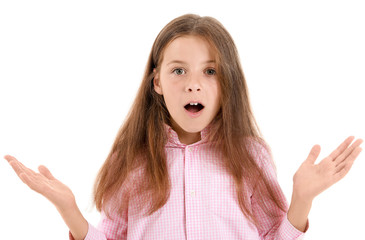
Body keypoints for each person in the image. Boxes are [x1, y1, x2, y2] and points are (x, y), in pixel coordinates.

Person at [4, 14, 363, 240]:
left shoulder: (250, 155)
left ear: (228, 84)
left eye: (210, 71)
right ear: (157, 81)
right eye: (179, 70)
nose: (194, 84)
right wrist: (70, 211)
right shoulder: (129, 158)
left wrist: (301, 200)